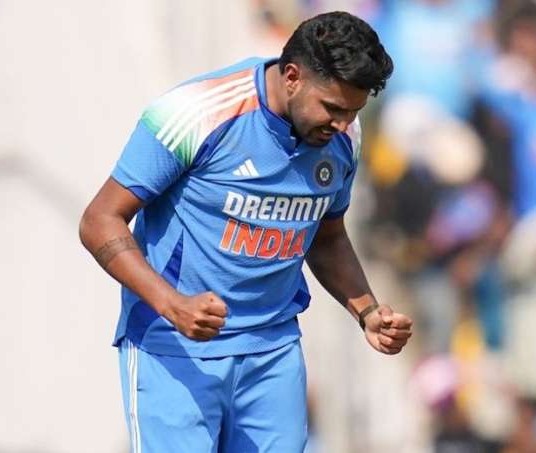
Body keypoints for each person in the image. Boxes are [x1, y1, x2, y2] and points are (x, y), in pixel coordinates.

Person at [79, 11, 413, 453]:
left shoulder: (344, 135)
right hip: (175, 347)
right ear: (292, 77)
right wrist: (172, 304)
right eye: (332, 108)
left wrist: (367, 311)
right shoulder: (195, 113)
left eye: (352, 111)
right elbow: (99, 219)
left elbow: (328, 237)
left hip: (272, 351)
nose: (341, 123)